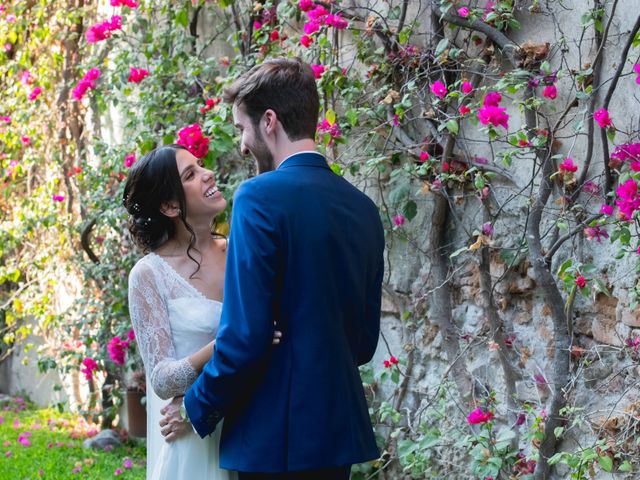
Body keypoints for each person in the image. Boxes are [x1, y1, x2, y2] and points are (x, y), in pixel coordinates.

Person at [162, 57, 385, 479]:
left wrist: (194, 407)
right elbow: (363, 344)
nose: (243, 146)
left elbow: (246, 335)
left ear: (269, 122)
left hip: (273, 437)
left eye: (243, 130)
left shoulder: (258, 197)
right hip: (336, 433)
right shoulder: (364, 209)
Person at [123, 144, 281, 479]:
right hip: (192, 437)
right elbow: (163, 379)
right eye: (190, 175)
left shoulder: (242, 248)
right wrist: (235, 338)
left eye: (201, 165)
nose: (208, 173)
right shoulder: (149, 275)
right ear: (169, 205)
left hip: (255, 424)